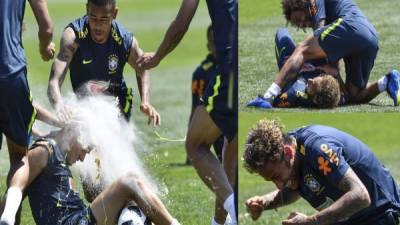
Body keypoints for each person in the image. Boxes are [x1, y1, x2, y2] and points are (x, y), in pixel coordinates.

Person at [135, 0, 238, 224]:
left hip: (232, 67)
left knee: (196, 145)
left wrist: (157, 56)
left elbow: (181, 24)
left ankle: (234, 208)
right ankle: (220, 222)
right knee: (232, 141)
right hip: (254, 66)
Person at [23, 119, 181, 225]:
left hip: (81, 218)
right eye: (85, 150)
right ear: (75, 134)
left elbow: (92, 197)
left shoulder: (58, 158)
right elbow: (12, 193)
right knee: (131, 182)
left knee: (136, 203)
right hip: (75, 222)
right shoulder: (43, 151)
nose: (83, 158)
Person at [243, 119, 400, 225]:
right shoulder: (292, 154)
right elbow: (295, 188)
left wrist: (312, 221)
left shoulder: (317, 149)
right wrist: (264, 203)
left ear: (288, 153)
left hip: (383, 215)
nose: (278, 185)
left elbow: (360, 196)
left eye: (276, 177)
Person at [262, 0, 400, 106]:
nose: (302, 24)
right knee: (354, 95)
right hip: (370, 39)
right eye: (298, 25)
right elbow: (331, 51)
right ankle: (387, 81)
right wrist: (335, 75)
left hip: (352, 26)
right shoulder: (331, 23)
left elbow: (318, 32)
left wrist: (296, 59)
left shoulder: (313, 3)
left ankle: (269, 94)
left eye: (299, 19)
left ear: (300, 3)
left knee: (302, 49)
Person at [47, 0, 160, 124]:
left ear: (114, 14)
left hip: (117, 103)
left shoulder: (124, 40)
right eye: (93, 17)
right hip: (84, 105)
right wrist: (59, 105)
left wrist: (145, 101)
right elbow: (54, 81)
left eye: (104, 19)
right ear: (86, 10)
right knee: (78, 134)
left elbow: (142, 68)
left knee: (99, 135)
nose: (97, 26)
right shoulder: (74, 36)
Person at [0, 0, 55, 224]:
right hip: (9, 69)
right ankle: (9, 213)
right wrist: (45, 47)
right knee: (18, 157)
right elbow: (47, 27)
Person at [247, 28, 342, 109]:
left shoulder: (294, 94)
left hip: (290, 64)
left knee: (282, 34)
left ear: (314, 99)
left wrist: (292, 61)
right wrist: (336, 73)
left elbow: (274, 102)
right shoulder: (333, 91)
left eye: (312, 86)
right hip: (312, 58)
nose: (310, 80)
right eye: (317, 79)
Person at [187, 25, 223, 164]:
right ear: (208, 46)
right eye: (214, 43)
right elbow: (196, 108)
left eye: (220, 41)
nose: (217, 46)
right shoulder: (202, 73)